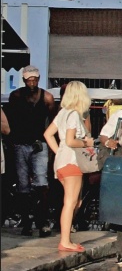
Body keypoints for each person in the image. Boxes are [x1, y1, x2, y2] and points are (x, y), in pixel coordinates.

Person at [43, 81, 94, 253]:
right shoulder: (73, 114)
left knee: (75, 201)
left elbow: (47, 134)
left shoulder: (62, 113)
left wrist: (59, 152)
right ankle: (65, 241)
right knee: (71, 202)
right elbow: (72, 141)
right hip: (72, 160)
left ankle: (66, 238)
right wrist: (86, 142)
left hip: (62, 161)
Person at [6, 65, 56, 236]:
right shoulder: (16, 96)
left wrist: (50, 146)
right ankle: (27, 222)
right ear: (24, 80)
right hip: (20, 144)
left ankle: (42, 222)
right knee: (23, 186)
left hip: (39, 144)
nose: (32, 82)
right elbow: (10, 121)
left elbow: (52, 122)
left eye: (34, 79)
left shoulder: (47, 97)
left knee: (42, 183)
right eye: (29, 80)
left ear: (39, 79)